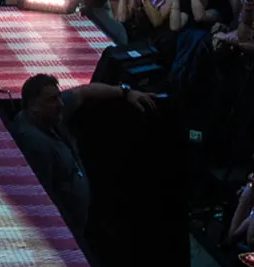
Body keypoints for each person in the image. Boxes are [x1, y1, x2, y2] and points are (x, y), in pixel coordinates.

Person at [9, 73, 156, 232]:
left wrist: (126, 92)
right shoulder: (34, 143)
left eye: (59, 96)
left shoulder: (49, 115)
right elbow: (41, 200)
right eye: (52, 99)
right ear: (33, 105)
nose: (61, 104)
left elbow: (83, 92)